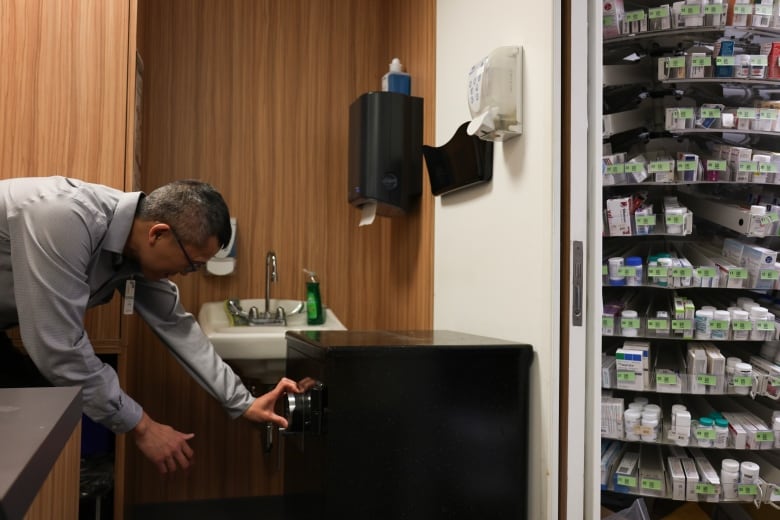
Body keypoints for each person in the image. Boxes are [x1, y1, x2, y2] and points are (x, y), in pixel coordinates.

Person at [0, 176, 302, 474]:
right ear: (158, 234)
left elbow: (176, 325)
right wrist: (143, 427)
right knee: (33, 430)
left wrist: (242, 402)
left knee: (38, 424)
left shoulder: (132, 246)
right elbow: (59, 349)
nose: (186, 274)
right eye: (191, 264)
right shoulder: (63, 217)